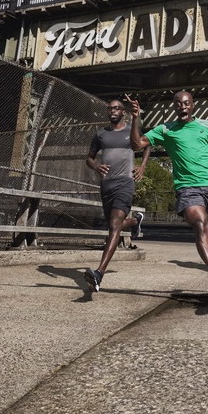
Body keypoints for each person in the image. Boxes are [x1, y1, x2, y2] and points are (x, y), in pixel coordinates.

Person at [128, 91, 208, 298]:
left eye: (186, 103)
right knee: (200, 225)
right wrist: (135, 119)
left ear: (192, 105)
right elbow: (137, 144)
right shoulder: (166, 129)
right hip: (187, 188)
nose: (182, 106)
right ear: (174, 107)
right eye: (178, 103)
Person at [83, 98, 150, 292]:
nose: (112, 111)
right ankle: (135, 221)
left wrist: (142, 166)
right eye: (110, 108)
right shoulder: (100, 134)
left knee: (114, 226)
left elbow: (148, 145)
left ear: (123, 112)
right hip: (107, 185)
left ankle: (99, 273)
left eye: (116, 108)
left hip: (125, 183)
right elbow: (89, 158)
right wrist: (96, 166)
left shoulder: (131, 131)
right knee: (113, 225)